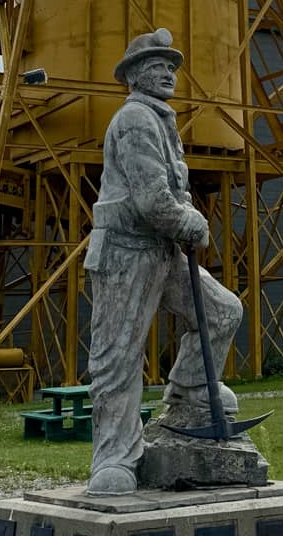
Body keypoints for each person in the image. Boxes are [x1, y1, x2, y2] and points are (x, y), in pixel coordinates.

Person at [85, 28, 243, 495]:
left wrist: (183, 219)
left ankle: (190, 391)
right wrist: (190, 222)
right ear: (134, 74)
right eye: (157, 65)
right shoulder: (135, 119)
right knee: (118, 356)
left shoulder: (161, 119)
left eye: (171, 66)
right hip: (127, 251)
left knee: (222, 311)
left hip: (163, 249)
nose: (168, 72)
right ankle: (113, 459)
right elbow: (152, 200)